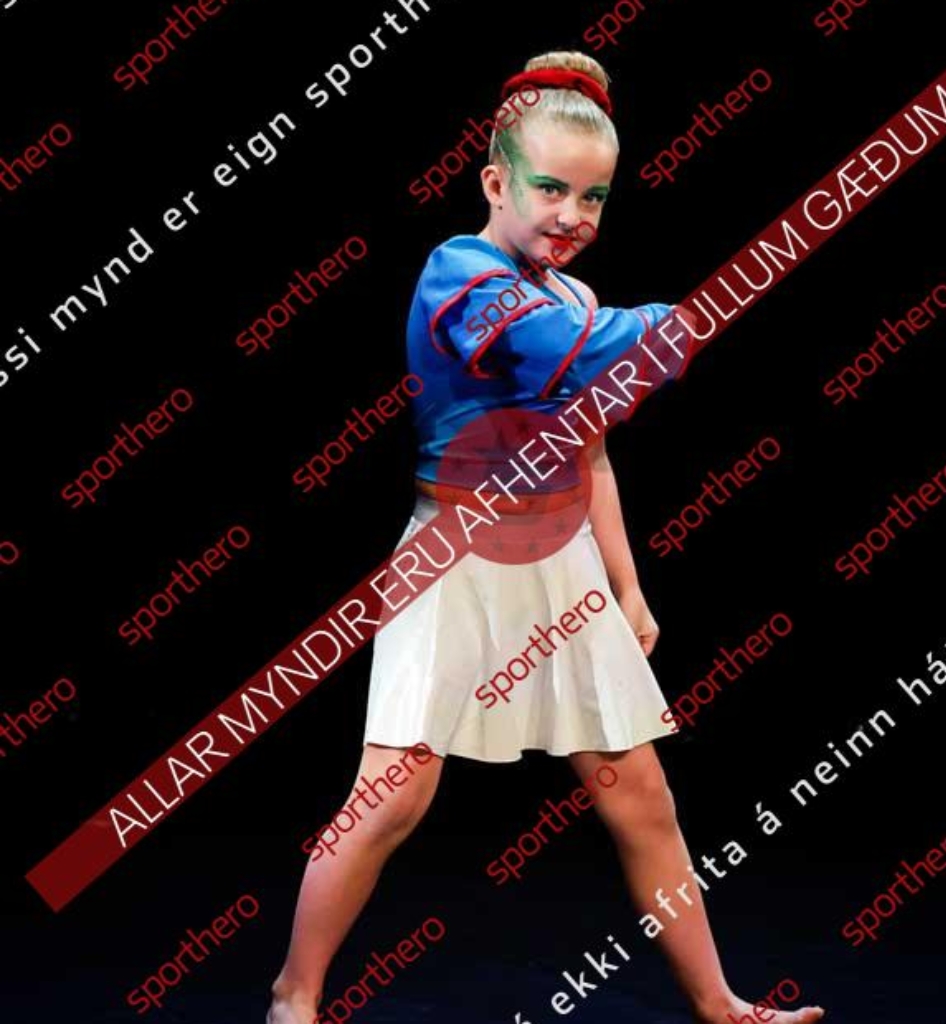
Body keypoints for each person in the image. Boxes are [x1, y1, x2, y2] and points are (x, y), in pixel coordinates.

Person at [268, 51, 825, 1024]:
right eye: (551, 189)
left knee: (640, 795)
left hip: (560, 562)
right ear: (495, 183)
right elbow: (554, 351)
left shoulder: (574, 295)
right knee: (391, 798)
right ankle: (295, 996)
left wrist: (627, 584)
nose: (573, 214)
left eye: (594, 196)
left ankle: (719, 1004)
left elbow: (590, 452)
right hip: (454, 560)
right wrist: (692, 316)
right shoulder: (458, 273)